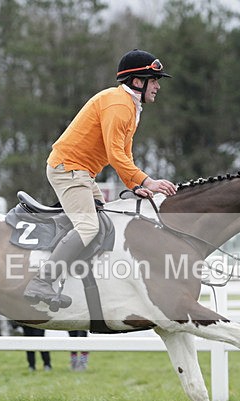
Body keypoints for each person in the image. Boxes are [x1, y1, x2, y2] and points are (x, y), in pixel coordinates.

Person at [23, 49, 178, 309]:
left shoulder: (129, 105)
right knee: (88, 227)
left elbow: (124, 153)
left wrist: (135, 184)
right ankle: (42, 280)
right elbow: (116, 155)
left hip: (81, 172)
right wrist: (147, 181)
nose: (158, 87)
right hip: (69, 169)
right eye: (154, 80)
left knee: (104, 224)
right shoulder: (119, 106)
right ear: (137, 82)